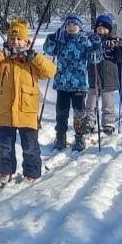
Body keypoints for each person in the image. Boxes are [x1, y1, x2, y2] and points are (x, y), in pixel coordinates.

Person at [0, 20, 57, 185]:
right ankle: (6, 170)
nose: (15, 42)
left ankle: (32, 172)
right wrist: (3, 53)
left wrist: (35, 57)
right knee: (5, 145)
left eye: (19, 39)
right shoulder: (2, 62)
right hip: (5, 112)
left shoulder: (32, 62)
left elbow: (50, 71)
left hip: (27, 112)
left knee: (30, 146)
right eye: (12, 39)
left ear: (26, 41)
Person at [43, 15, 102, 152]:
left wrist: (97, 45)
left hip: (79, 84)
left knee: (79, 112)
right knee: (61, 112)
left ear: (80, 27)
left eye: (74, 25)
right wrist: (51, 38)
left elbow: (95, 59)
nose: (71, 27)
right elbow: (48, 50)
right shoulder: (61, 39)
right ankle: (60, 136)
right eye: (68, 25)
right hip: (62, 83)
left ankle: (80, 137)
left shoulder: (84, 40)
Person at [86, 14, 122, 136]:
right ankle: (89, 121)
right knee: (91, 101)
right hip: (93, 76)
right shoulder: (91, 40)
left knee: (108, 103)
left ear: (109, 29)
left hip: (109, 77)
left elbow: (121, 57)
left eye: (104, 28)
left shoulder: (114, 41)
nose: (101, 31)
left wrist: (120, 48)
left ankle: (108, 123)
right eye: (99, 28)